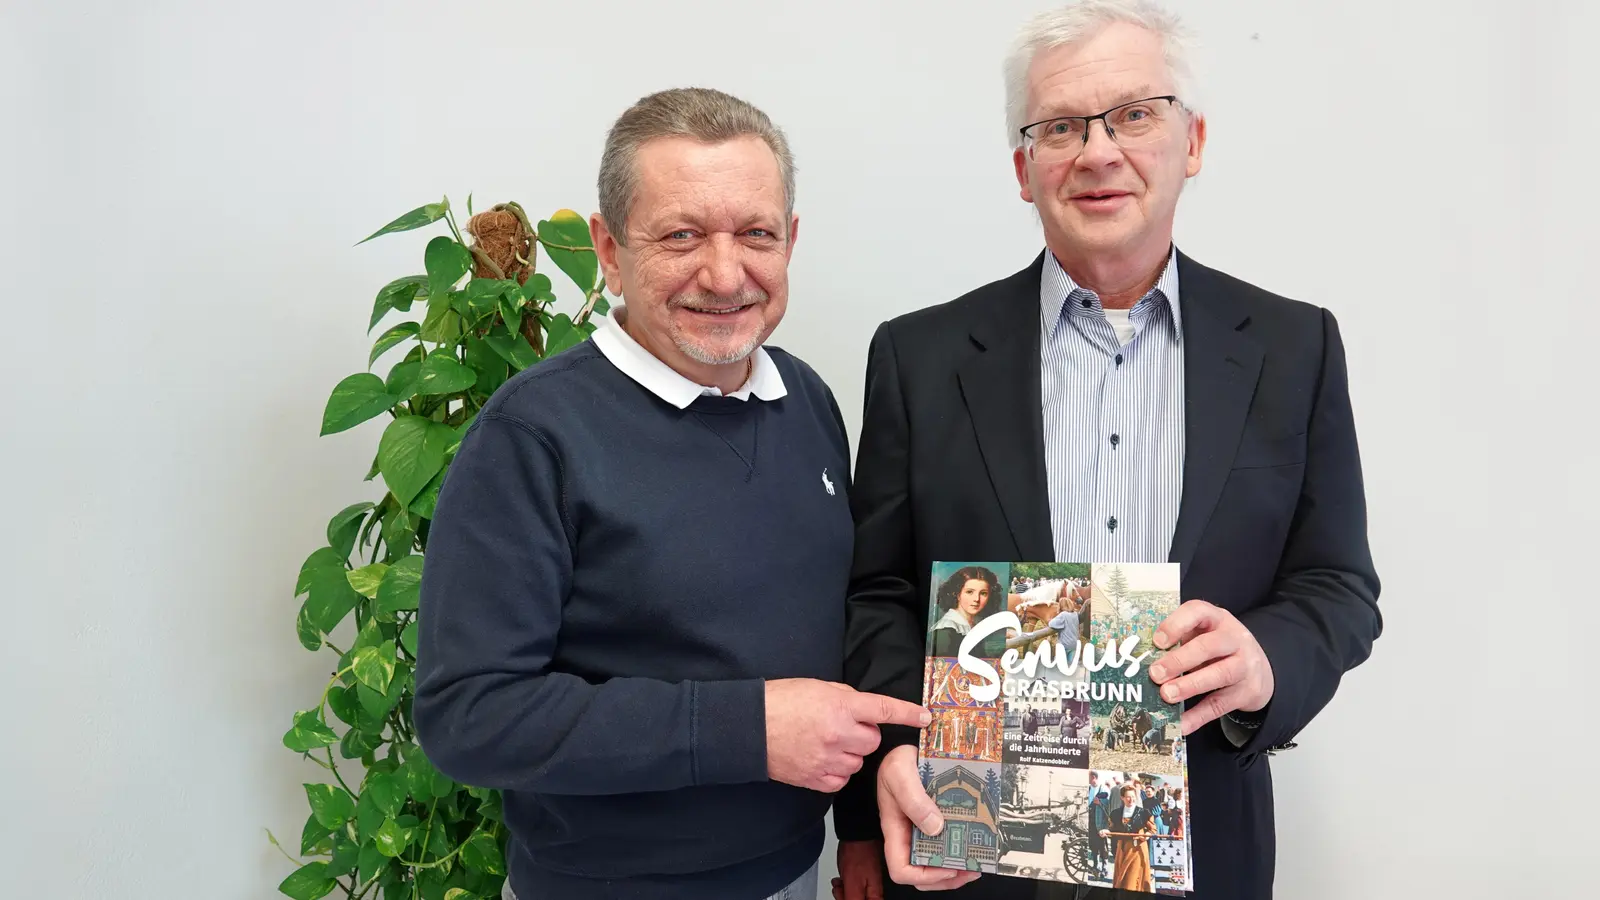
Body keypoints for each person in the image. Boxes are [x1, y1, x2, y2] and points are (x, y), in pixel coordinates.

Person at [829, 2, 1381, 898]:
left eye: (1133, 113)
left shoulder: (1293, 348)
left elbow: (1339, 585)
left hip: (1208, 844)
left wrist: (1267, 657)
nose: (1097, 151)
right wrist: (895, 752)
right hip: (974, 848)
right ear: (1023, 167)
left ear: (1191, 141)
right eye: (1059, 127)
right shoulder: (919, 358)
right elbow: (879, 591)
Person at [410, 86, 931, 900]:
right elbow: (468, 714)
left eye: (755, 234)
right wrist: (745, 732)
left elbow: (847, 627)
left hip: (796, 871)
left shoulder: (807, 401)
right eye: (681, 235)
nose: (725, 274)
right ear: (609, 251)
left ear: (790, 241)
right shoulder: (532, 437)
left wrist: (856, 829)